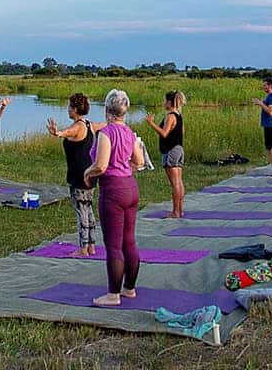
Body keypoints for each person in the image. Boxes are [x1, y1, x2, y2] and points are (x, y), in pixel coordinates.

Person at [83, 89, 144, 306]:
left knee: (114, 245)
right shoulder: (129, 132)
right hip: (130, 187)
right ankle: (130, 288)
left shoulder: (106, 134)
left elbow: (101, 165)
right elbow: (139, 162)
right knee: (129, 240)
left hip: (113, 190)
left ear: (107, 110)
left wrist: (87, 173)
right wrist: (124, 166)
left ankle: (113, 294)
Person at [47, 93, 97, 256]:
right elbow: (104, 124)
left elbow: (67, 132)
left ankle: (83, 247)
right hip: (89, 173)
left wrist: (57, 133)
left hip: (79, 175)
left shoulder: (78, 127)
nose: (68, 110)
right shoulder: (89, 125)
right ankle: (91, 246)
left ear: (75, 109)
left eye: (69, 107)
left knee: (81, 211)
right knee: (88, 210)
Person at [145, 90, 186, 218]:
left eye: (165, 101)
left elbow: (164, 133)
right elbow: (182, 132)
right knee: (179, 181)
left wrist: (151, 123)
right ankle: (180, 210)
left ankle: (175, 212)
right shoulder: (179, 115)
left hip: (171, 150)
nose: (163, 103)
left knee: (175, 183)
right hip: (178, 149)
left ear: (169, 102)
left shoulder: (170, 116)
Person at [251, 77, 272, 178]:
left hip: (271, 125)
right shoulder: (270, 96)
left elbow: (270, 111)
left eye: (265, 85)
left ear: (270, 85)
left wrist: (261, 104)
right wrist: (261, 103)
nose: (263, 87)